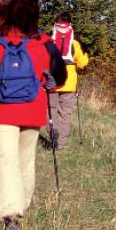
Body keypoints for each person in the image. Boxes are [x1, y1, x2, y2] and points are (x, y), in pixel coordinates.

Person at [0, 0, 66, 230]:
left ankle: (10, 213)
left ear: (10, 11)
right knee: (25, 159)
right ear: (35, 15)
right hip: (32, 110)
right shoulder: (44, 43)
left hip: (2, 110)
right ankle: (20, 206)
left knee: (6, 159)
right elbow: (60, 78)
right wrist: (46, 83)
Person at [47, 11, 89, 149]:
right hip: (69, 81)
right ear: (70, 23)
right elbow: (83, 63)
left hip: (52, 80)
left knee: (50, 111)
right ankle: (61, 144)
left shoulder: (49, 39)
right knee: (65, 114)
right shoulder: (75, 41)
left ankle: (53, 135)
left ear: (55, 23)